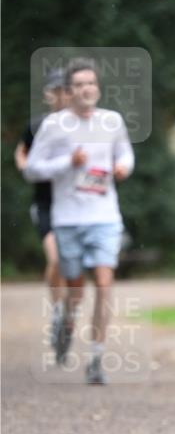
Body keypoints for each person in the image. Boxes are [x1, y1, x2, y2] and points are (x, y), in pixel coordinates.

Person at [24, 58, 134, 385]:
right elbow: (32, 168)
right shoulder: (54, 126)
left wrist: (122, 168)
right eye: (79, 85)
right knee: (75, 288)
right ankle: (65, 323)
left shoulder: (112, 121)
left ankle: (97, 358)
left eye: (91, 83)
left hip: (104, 216)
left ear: (97, 88)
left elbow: (125, 153)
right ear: (69, 92)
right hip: (67, 219)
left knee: (104, 282)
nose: (86, 89)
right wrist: (67, 162)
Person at [14, 71, 68, 341]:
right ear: (47, 94)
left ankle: (67, 309)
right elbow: (22, 150)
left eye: (64, 89)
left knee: (73, 264)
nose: (59, 95)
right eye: (54, 90)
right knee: (56, 258)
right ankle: (57, 310)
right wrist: (26, 167)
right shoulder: (37, 125)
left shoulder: (85, 126)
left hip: (77, 205)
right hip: (46, 204)